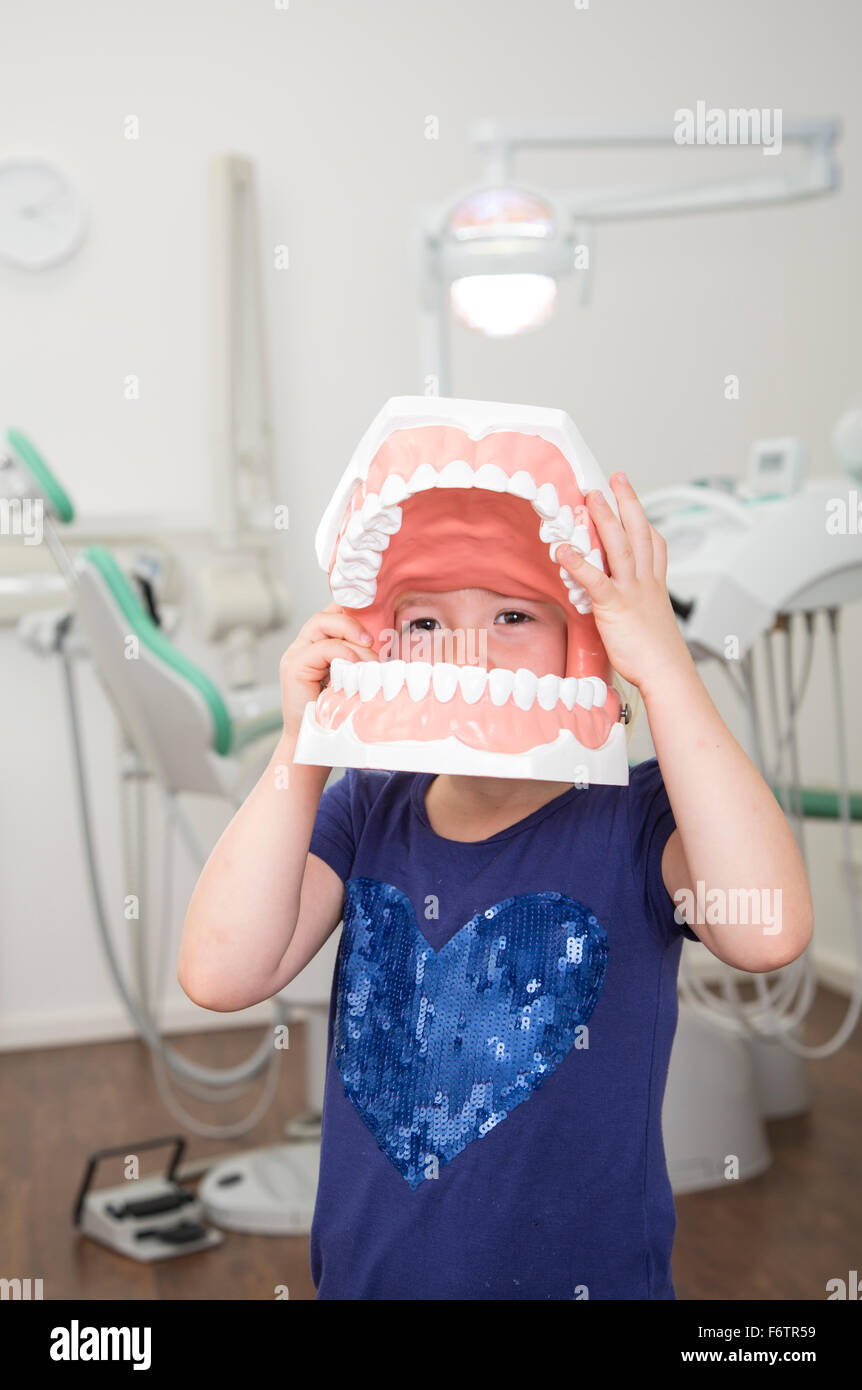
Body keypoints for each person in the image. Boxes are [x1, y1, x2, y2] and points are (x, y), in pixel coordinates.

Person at [178, 473, 813, 1300]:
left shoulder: (641, 817)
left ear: (585, 642)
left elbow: (767, 930)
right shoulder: (368, 804)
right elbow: (221, 973)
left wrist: (665, 672)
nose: (467, 652)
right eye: (426, 622)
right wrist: (303, 748)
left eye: (512, 616)